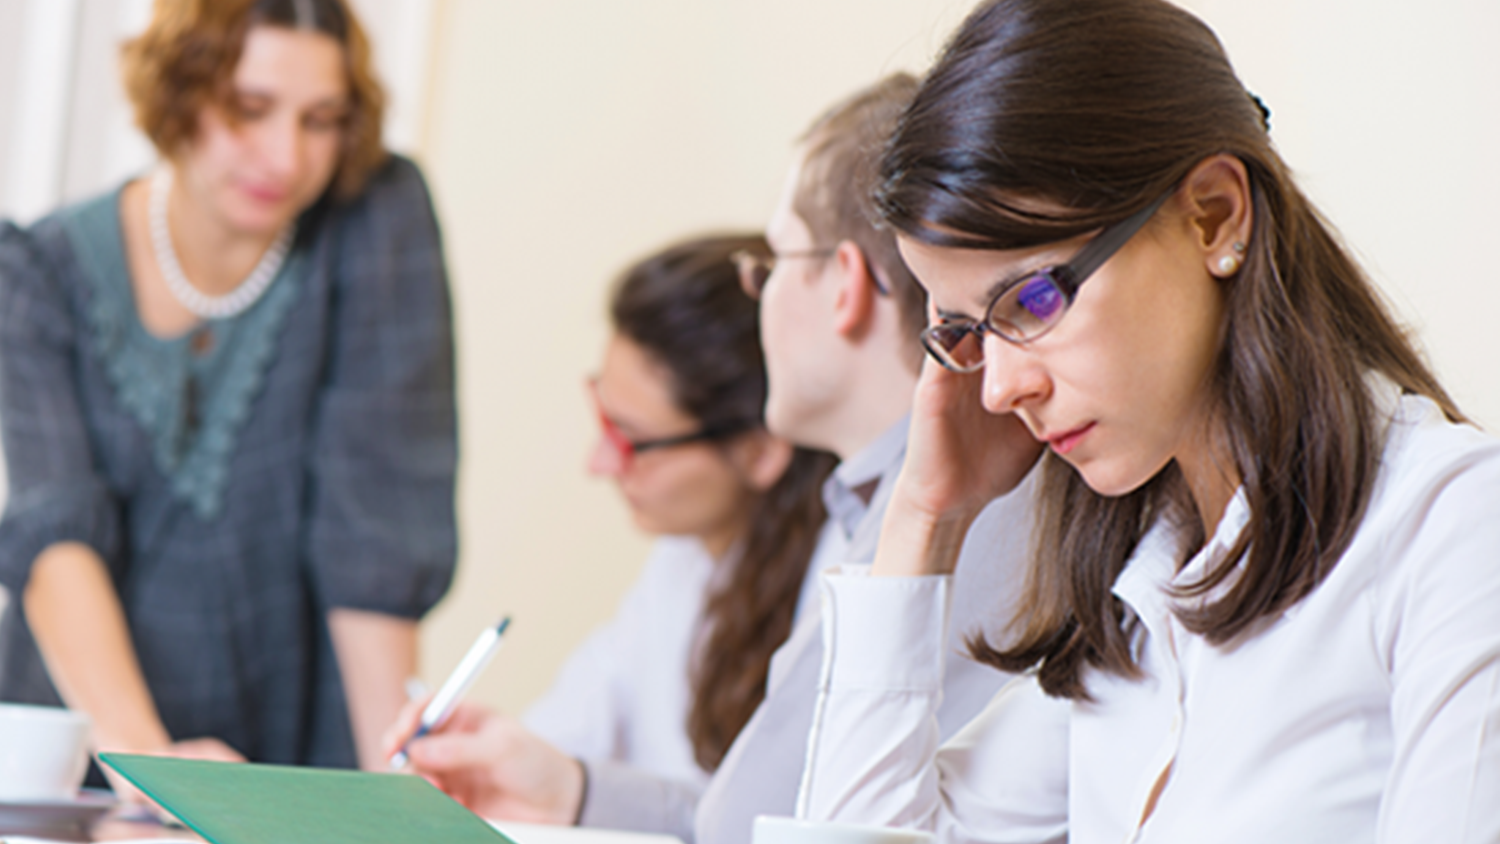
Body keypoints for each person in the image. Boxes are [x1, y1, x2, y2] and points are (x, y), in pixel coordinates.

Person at [797, 1, 1500, 843]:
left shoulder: (1452, 526)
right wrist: (921, 519)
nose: (998, 391)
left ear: (1213, 214)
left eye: (1031, 299)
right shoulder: (1141, 600)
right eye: (964, 334)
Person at [389, 75, 1053, 844]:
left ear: (843, 285)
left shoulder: (957, 518)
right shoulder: (868, 506)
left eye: (772, 263)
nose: (758, 296)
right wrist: (568, 786)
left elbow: (763, 825)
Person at [0, 0, 456, 782]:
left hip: (288, 740)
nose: (285, 157)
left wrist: (396, 787)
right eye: (249, 110)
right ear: (177, 93)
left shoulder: (376, 220)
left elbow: (374, 531)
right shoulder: (39, 274)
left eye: (322, 120)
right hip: (86, 740)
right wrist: (150, 769)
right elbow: (57, 541)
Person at [386, 234, 842, 832]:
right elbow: (575, 721)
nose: (598, 462)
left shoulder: (841, 589)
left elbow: (767, 823)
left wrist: (576, 788)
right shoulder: (681, 564)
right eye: (603, 413)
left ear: (762, 450)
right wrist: (486, 754)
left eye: (632, 438)